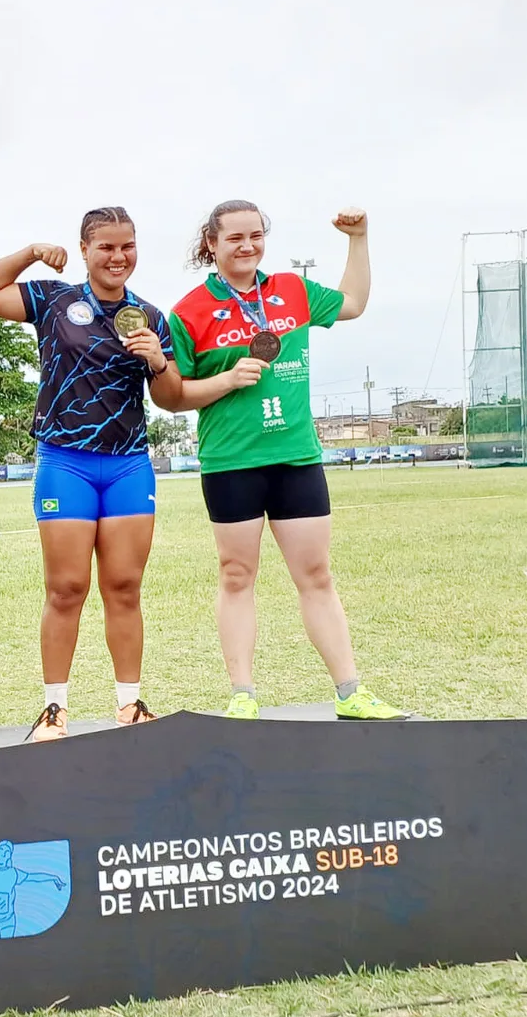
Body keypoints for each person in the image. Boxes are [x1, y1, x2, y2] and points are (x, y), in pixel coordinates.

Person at [160, 200, 408, 721]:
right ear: (211, 243)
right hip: (231, 460)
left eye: (256, 236)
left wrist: (357, 238)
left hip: (296, 456)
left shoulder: (292, 291)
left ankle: (350, 692)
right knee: (235, 575)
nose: (247, 246)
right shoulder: (187, 311)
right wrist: (226, 380)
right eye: (234, 238)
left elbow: (355, 302)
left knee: (316, 575)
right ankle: (243, 695)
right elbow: (173, 395)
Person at [0, 207, 182, 742]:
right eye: (106, 247)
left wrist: (158, 360)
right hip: (65, 461)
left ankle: (130, 704)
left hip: (129, 463)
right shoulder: (53, 299)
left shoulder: (152, 318)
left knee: (125, 587)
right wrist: (31, 253)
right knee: (66, 588)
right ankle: (53, 710)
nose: (118, 257)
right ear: (85, 250)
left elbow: (173, 397)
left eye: (127, 246)